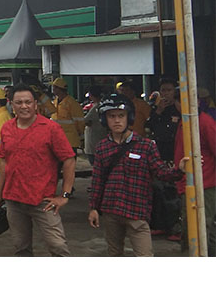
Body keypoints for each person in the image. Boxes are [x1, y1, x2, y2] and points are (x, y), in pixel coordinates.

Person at [88, 93, 188, 256]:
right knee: (114, 254)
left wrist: (179, 170)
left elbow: (161, 172)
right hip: (111, 211)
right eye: (112, 116)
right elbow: (97, 180)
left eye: (121, 116)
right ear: (105, 120)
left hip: (137, 212)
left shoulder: (146, 146)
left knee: (144, 255)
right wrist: (93, 208)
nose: (117, 120)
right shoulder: (102, 148)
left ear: (130, 117)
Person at [0, 83, 76, 257]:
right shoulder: (7, 128)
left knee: (58, 247)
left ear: (35, 104)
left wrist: (64, 195)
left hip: (43, 201)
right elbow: (5, 163)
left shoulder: (51, 128)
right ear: (11, 105)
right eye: (19, 102)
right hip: (13, 201)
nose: (24, 106)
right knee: (21, 248)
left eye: (28, 102)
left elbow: (69, 159)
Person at [173, 103, 216, 256]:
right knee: (195, 228)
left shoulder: (204, 122)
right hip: (187, 182)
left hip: (204, 184)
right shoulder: (185, 121)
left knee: (201, 228)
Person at [145, 78, 183, 239]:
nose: (165, 93)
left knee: (173, 193)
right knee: (157, 190)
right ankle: (160, 224)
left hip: (175, 154)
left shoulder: (180, 108)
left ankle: (176, 227)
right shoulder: (157, 109)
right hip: (159, 153)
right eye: (163, 90)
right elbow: (148, 127)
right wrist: (158, 111)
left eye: (168, 90)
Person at [50, 77, 84, 155]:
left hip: (70, 140)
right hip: (56, 139)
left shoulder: (72, 103)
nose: (53, 89)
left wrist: (81, 137)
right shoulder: (55, 102)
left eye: (55, 87)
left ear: (60, 89)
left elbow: (80, 121)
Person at [83, 87, 108, 166]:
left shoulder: (97, 107)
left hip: (95, 138)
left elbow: (85, 120)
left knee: (95, 163)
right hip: (101, 136)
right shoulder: (103, 105)